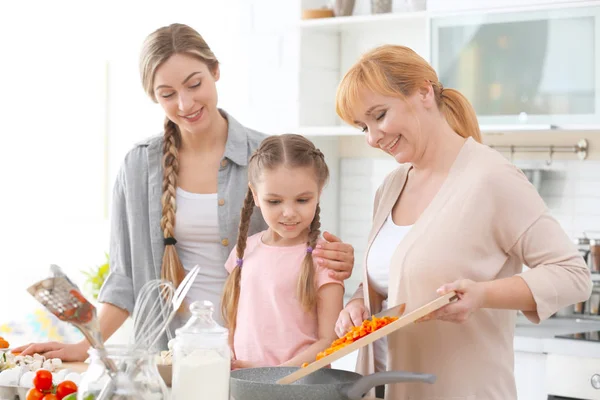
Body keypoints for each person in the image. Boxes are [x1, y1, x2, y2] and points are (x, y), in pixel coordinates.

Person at [14, 23, 355, 361]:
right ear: (153, 96)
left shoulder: (266, 157)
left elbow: (303, 250)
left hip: (260, 360)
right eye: (167, 94)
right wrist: (83, 345)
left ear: (216, 71)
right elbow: (125, 280)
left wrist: (339, 259)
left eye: (195, 83)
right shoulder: (138, 167)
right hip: (168, 355)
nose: (185, 102)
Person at [333, 44, 592, 400]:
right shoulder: (392, 186)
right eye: (363, 126)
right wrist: (358, 303)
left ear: (424, 91)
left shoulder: (491, 178)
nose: (372, 137)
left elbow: (572, 274)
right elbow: (392, 279)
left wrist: (483, 294)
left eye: (379, 115)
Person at [221, 134, 344, 368]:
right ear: (255, 196)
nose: (288, 212)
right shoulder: (243, 251)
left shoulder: (324, 258)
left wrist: (274, 377)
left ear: (319, 193)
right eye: (275, 202)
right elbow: (233, 323)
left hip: (301, 389)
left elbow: (330, 341)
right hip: (244, 386)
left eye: (302, 200)